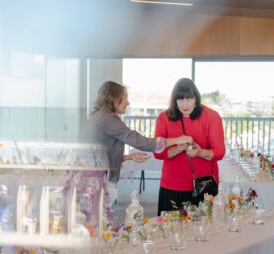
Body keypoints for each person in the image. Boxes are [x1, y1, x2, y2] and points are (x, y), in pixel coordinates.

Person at [81, 81, 192, 204]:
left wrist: (129, 157)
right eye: (125, 98)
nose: (128, 102)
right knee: (100, 219)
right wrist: (177, 140)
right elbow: (140, 141)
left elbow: (99, 156)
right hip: (95, 183)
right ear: (113, 98)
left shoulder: (97, 116)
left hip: (88, 180)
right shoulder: (108, 119)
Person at [154, 78, 225, 215]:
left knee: (204, 229)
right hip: (173, 185)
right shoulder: (164, 117)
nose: (185, 105)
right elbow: (158, 153)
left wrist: (199, 152)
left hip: (204, 186)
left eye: (189, 99)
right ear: (175, 101)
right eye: (180, 100)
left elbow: (220, 152)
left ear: (196, 98)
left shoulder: (212, 116)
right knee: (170, 229)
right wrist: (178, 148)